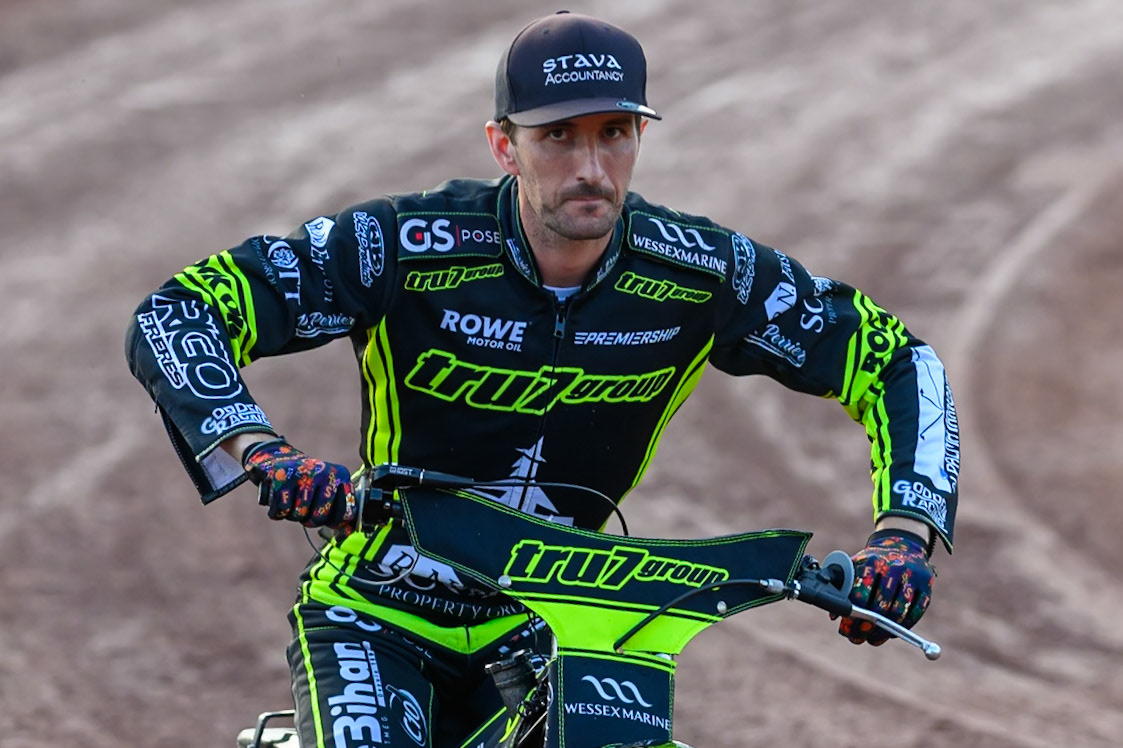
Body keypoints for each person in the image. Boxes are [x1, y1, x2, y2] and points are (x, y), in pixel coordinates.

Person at [125, 10, 959, 747]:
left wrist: (903, 535)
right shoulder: (402, 245)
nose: (589, 167)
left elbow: (893, 360)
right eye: (557, 136)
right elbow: (179, 312)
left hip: (563, 620)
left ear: (639, 136)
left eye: (614, 132)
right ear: (504, 144)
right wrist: (262, 450)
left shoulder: (704, 274)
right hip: (378, 608)